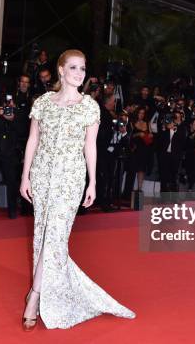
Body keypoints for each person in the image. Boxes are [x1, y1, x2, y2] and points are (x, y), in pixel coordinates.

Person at [19, 49, 136, 331]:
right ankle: (42, 288)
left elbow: (90, 147)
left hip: (70, 177)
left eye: (82, 69)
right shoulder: (43, 102)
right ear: (61, 70)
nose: (79, 74)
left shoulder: (89, 107)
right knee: (42, 234)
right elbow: (33, 140)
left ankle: (34, 296)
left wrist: (93, 181)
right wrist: (25, 176)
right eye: (73, 68)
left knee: (55, 236)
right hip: (43, 174)